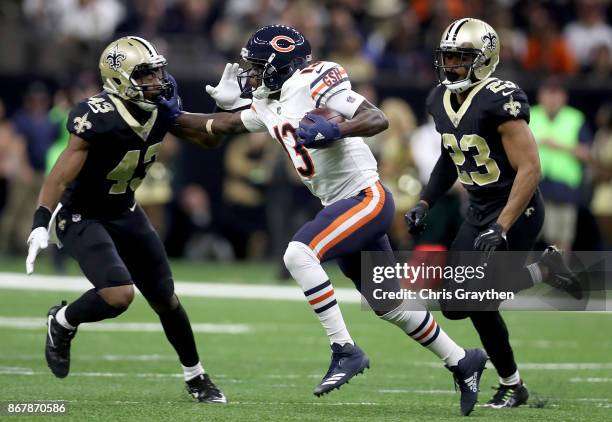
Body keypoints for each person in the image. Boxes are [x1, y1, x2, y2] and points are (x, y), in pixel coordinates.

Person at [173, 24, 487, 416]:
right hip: (340, 202)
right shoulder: (269, 102)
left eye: (256, 66)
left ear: (279, 65)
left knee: (298, 254)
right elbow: (219, 128)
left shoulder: (312, 79)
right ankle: (462, 360)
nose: (249, 74)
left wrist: (335, 127)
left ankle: (344, 349)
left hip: (365, 197)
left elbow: (376, 119)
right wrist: (168, 113)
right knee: (389, 304)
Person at [25, 36, 226, 403]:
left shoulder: (159, 108)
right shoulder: (97, 115)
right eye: (147, 74)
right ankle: (63, 320)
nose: (157, 80)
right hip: (82, 215)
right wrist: (41, 221)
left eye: (159, 71)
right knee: (119, 295)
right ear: (120, 79)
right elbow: (59, 175)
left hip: (126, 211)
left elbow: (208, 140)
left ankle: (196, 377)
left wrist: (233, 109)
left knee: (165, 299)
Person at [405, 18, 582, 409]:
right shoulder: (439, 99)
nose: (450, 65)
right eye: (447, 56)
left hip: (518, 208)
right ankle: (544, 271)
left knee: (478, 301)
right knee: (455, 305)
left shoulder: (499, 98)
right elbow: (451, 157)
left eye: (459, 57)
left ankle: (512, 384)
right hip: (480, 209)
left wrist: (502, 225)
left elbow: (531, 168)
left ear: (484, 60)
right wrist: (424, 201)